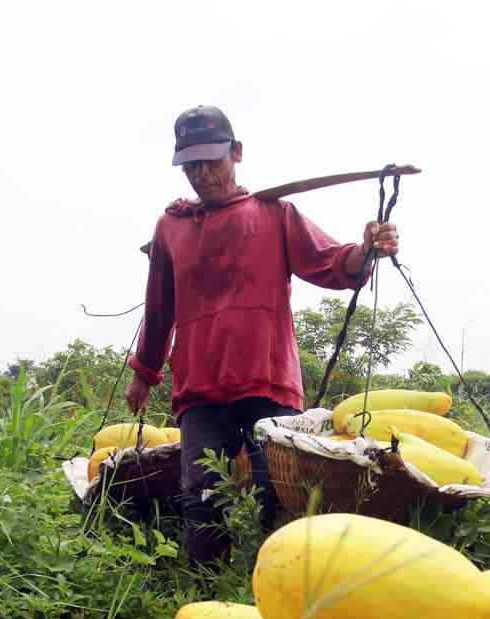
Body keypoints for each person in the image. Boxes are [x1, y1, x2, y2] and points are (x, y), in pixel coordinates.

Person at [126, 105, 399, 564]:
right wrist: (145, 373)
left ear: (237, 152)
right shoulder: (171, 228)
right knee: (202, 494)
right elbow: (159, 309)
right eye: (191, 163)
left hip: (267, 383)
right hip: (199, 389)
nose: (201, 173)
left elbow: (332, 262)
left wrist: (366, 249)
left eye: (211, 159)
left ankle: (277, 581)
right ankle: (206, 591)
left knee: (278, 493)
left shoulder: (274, 214)